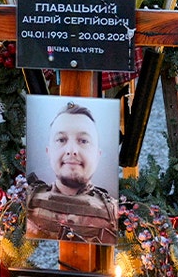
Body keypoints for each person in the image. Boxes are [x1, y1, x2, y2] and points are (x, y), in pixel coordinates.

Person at [25, 102, 117, 244]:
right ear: (49, 152)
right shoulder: (25, 201)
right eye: (61, 140)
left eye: (83, 141)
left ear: (98, 155)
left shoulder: (116, 212)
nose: (72, 150)